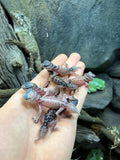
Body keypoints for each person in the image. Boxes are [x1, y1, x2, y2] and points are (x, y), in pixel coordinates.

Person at [0, 53, 88, 160]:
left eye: (29, 97)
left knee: (57, 112)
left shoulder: (40, 104)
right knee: (57, 110)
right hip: (60, 101)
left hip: (60, 102)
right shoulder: (40, 103)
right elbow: (42, 110)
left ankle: (63, 111)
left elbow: (40, 113)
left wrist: (40, 118)